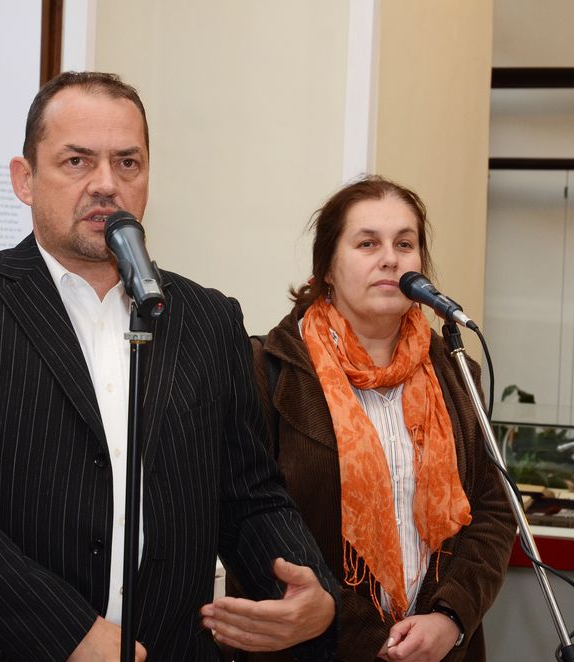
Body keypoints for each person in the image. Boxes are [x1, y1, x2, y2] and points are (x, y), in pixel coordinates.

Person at [0, 71, 337, 662]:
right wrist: (66, 632)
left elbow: (249, 494)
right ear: (24, 179)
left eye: (127, 163)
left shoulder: (208, 317)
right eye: (76, 161)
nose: (106, 184)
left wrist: (309, 591)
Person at [218, 176, 515, 661]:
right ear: (326, 269)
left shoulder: (458, 372)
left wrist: (451, 618)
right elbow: (251, 519)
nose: (390, 259)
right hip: (315, 649)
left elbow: (494, 510)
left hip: (439, 650)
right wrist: (368, 635)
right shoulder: (265, 370)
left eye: (405, 244)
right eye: (367, 243)